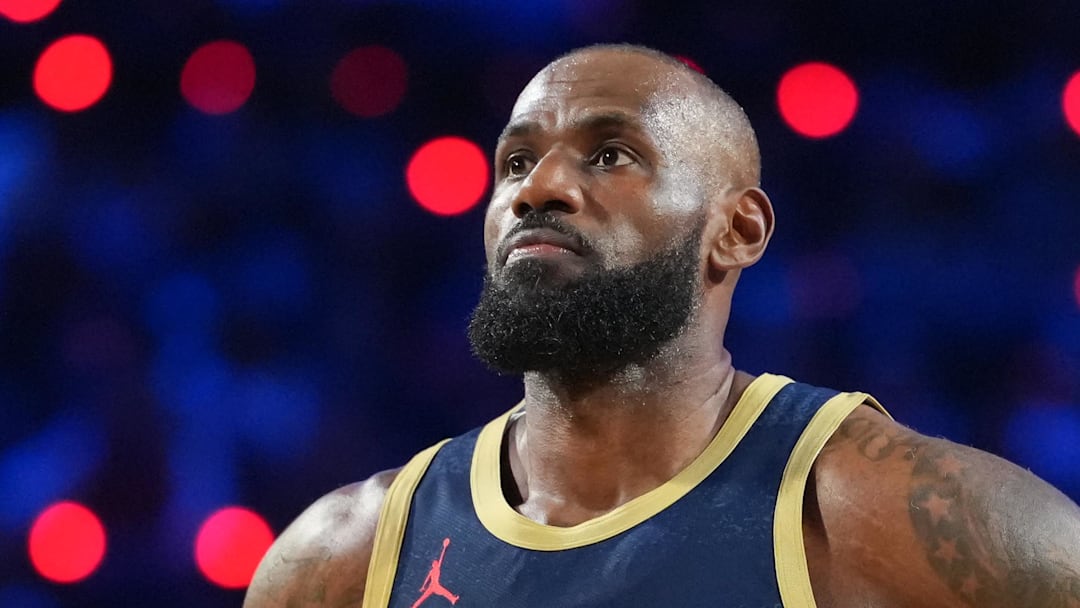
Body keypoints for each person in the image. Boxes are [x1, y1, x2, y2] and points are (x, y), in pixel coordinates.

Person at [243, 44, 1080, 607]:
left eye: (611, 154)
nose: (539, 188)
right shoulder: (345, 556)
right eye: (516, 161)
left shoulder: (879, 512)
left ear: (738, 231)